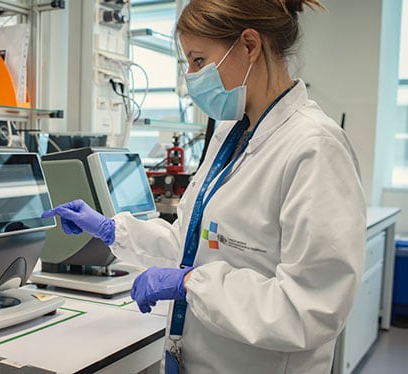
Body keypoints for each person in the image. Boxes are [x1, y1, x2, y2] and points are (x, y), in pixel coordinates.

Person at [41, 0, 366, 372]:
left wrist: (193, 284)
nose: (190, 79)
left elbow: (310, 308)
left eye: (198, 61)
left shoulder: (314, 147)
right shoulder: (231, 134)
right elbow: (190, 245)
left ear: (249, 45)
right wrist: (111, 229)